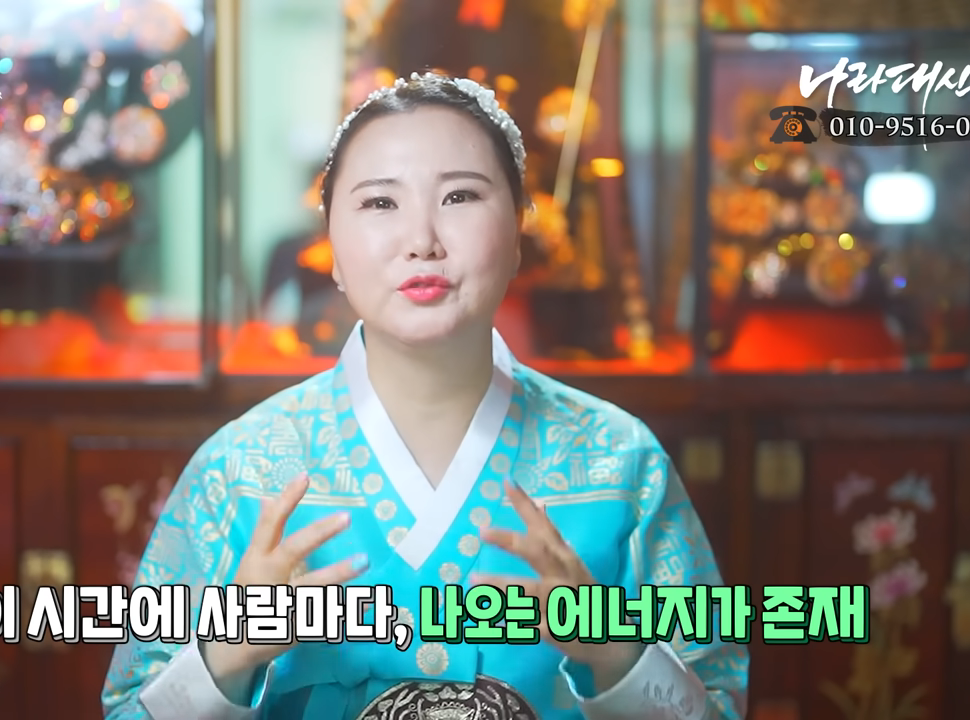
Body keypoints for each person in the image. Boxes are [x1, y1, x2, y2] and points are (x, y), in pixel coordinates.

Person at [103, 72, 748, 719]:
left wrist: (614, 652)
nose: (422, 242)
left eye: (460, 196)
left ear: (519, 232)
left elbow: (719, 705)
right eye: (380, 203)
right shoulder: (240, 469)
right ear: (330, 247)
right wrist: (225, 656)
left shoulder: (621, 462)